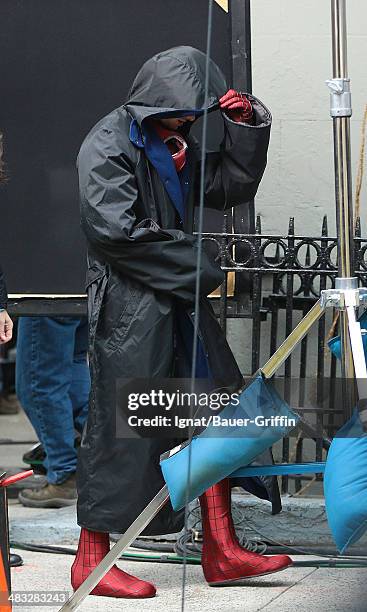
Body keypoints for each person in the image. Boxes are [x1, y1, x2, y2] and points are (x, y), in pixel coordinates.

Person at [72, 46, 292, 599]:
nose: (190, 122)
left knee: (213, 412)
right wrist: (202, 266)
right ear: (155, 101)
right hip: (131, 308)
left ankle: (222, 548)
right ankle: (90, 562)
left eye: (196, 115)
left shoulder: (173, 140)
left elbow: (229, 187)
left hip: (178, 303)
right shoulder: (108, 143)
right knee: (121, 427)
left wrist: (244, 126)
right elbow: (115, 233)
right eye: (182, 113)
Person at [16, 317, 90, 507]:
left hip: (46, 294)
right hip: (82, 291)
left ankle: (65, 474)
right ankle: (89, 466)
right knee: (73, 364)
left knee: (39, 380)